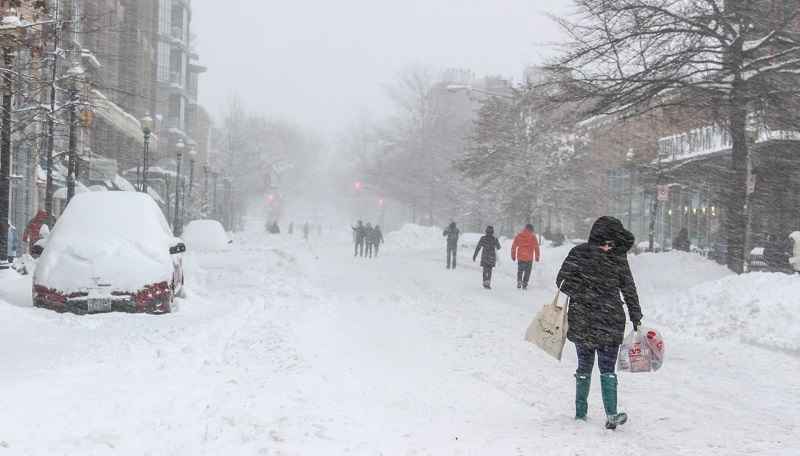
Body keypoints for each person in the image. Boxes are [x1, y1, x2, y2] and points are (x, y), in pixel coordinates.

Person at [556, 216, 642, 430]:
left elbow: (629, 288)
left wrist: (636, 315)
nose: (609, 246)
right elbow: (561, 281)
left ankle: (611, 415)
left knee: (605, 367)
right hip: (592, 317)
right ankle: (581, 412)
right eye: (608, 241)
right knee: (586, 365)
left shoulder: (613, 257)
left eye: (612, 243)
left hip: (604, 319)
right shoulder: (582, 253)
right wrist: (588, 292)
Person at [511, 224, 541, 290]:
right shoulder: (533, 237)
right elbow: (536, 247)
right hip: (529, 258)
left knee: (520, 270)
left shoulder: (519, 235)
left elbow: (514, 246)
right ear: (531, 229)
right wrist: (537, 256)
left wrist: (513, 255)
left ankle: (519, 281)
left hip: (521, 257)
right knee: (527, 272)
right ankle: (524, 283)